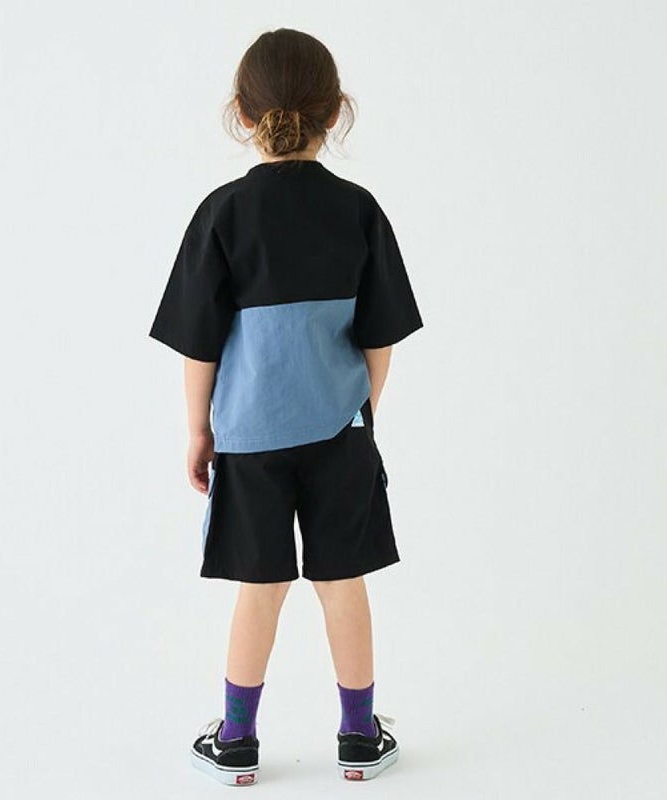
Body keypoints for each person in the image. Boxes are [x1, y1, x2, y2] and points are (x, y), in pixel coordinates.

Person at [148, 28, 423, 786]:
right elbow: (380, 340)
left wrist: (199, 431)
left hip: (249, 438)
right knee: (343, 581)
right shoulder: (358, 210)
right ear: (336, 111)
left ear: (242, 112)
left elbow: (199, 345)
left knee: (260, 588)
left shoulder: (223, 213)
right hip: (341, 433)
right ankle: (359, 739)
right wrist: (358, 414)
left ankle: (237, 742)